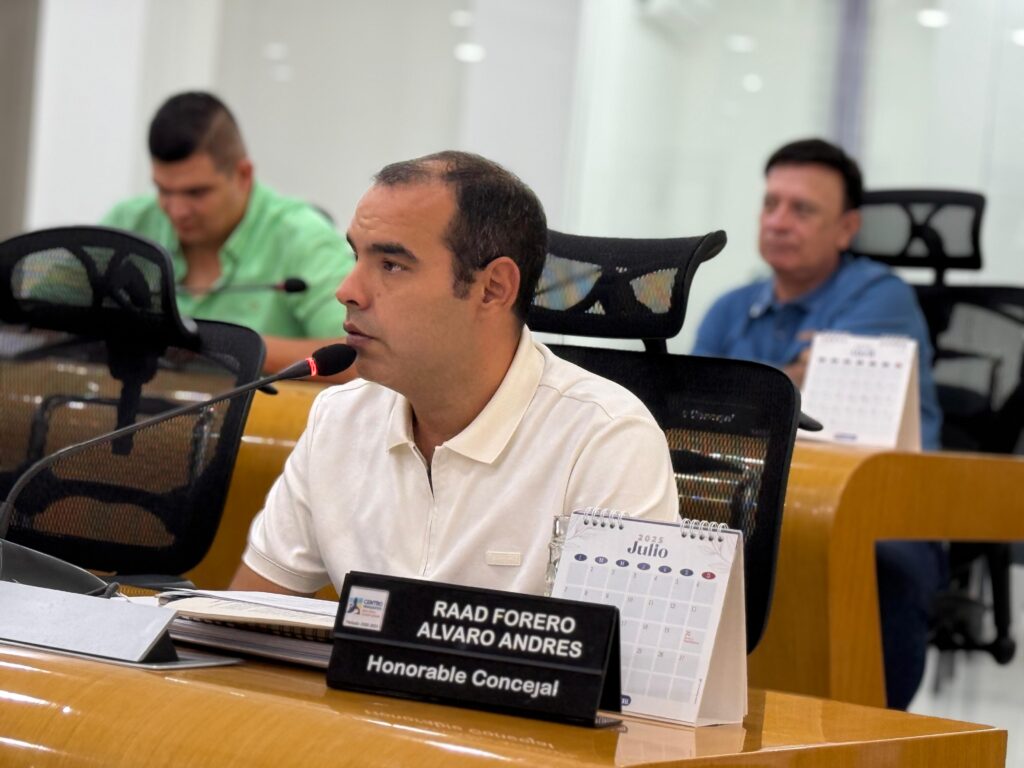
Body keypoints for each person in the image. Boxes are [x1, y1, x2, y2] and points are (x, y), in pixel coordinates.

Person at [230, 151, 679, 597]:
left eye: (391, 265)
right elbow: (244, 617)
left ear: (493, 288)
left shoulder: (607, 441)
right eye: (356, 257)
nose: (347, 291)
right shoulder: (339, 418)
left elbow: (626, 645)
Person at [692, 138, 946, 710]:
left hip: (881, 513)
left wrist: (744, 395)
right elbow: (685, 419)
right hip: (751, 503)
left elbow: (822, 408)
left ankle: (868, 733)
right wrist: (790, 378)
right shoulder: (730, 307)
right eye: (771, 203)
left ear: (846, 228)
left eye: (802, 209)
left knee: (879, 570)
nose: (778, 221)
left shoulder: (881, 297)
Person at [102, 91, 354, 376]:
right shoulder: (129, 223)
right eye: (164, 190)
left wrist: (217, 346)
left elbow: (357, 358)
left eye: (196, 192)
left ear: (243, 175)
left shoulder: (304, 239)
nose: (177, 210)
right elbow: (59, 316)